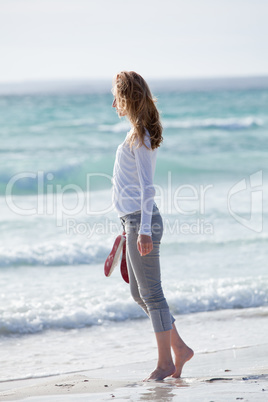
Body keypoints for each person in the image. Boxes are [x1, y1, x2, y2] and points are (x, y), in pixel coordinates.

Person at [111, 71, 193, 381]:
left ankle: (166, 363)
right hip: (132, 222)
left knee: (153, 294)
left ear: (126, 98)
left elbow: (147, 189)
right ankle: (180, 349)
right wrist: (128, 227)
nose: (113, 103)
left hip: (142, 222)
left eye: (116, 96)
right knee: (138, 293)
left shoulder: (141, 136)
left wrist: (143, 229)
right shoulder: (135, 133)